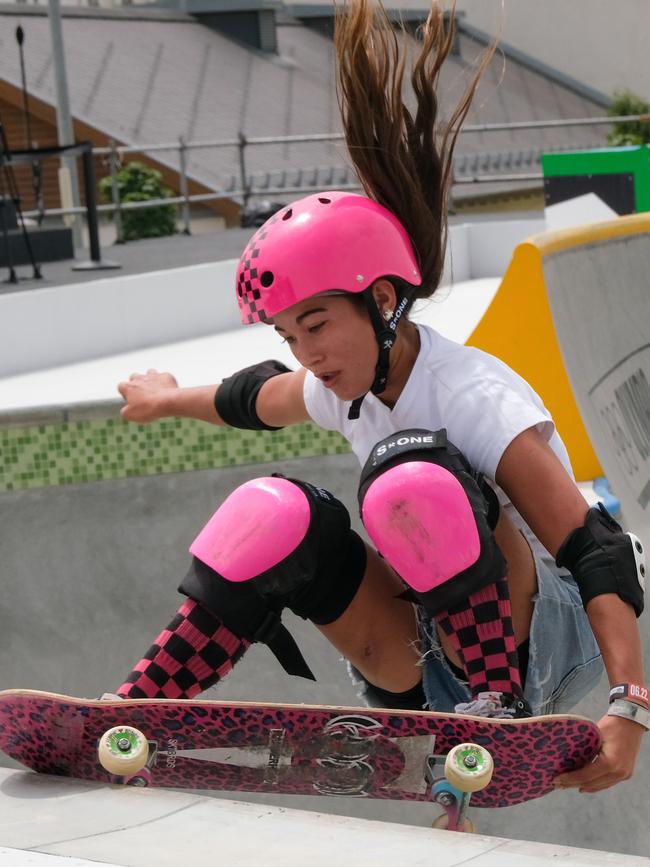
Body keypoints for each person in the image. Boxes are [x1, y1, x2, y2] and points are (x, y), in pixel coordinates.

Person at [114, 0, 647, 793]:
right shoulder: (340, 383)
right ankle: (136, 711)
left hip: (544, 647)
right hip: (424, 655)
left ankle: (494, 706)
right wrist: (165, 399)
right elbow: (252, 398)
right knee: (279, 509)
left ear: (383, 299)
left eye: (319, 324)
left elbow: (595, 548)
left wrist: (630, 707)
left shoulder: (472, 395)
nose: (309, 354)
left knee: (410, 474)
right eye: (291, 336)